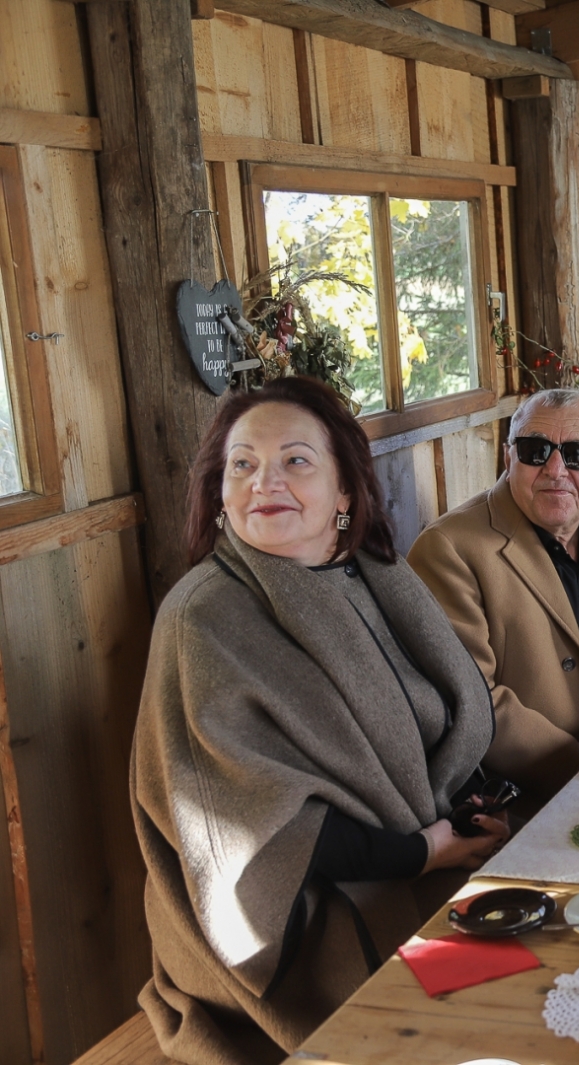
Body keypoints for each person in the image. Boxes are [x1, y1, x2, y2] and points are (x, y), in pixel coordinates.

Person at [132, 377, 505, 1065]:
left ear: (344, 493)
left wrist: (469, 816)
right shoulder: (204, 617)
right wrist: (425, 851)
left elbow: (437, 729)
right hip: (300, 923)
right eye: (242, 464)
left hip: (418, 849)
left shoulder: (369, 572)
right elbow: (254, 833)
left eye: (295, 460)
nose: (263, 481)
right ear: (219, 492)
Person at [409, 389, 579, 809]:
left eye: (578, 454)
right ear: (509, 459)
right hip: (519, 800)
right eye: (534, 450)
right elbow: (475, 703)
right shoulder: (448, 549)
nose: (555, 469)